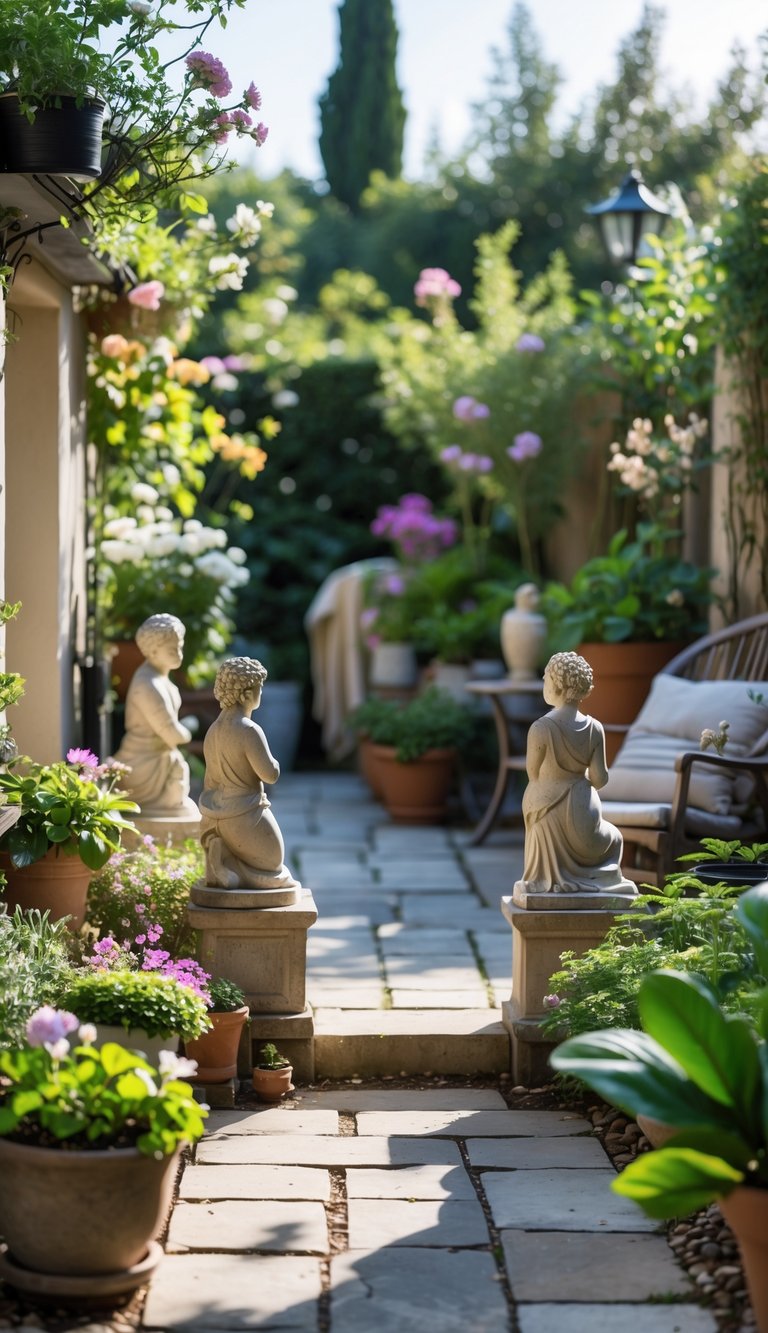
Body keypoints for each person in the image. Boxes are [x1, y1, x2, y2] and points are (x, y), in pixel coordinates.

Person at [520, 651, 634, 894]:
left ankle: (545, 879)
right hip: (583, 815)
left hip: (546, 810)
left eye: (546, 678)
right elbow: (600, 779)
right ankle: (600, 880)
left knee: (534, 795)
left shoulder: (540, 728)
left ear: (557, 685)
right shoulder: (595, 728)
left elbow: (532, 773)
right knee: (615, 837)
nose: (543, 680)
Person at [199, 657, 299, 890]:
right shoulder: (249, 730)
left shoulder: (213, 731)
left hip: (215, 816)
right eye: (259, 689)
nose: (260, 695)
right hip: (244, 813)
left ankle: (222, 853)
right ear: (245, 695)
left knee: (274, 866)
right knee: (274, 866)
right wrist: (274, 761)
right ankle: (232, 865)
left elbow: (210, 781)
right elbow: (270, 774)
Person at [113, 614, 197, 818]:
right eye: (172, 649)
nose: (179, 653)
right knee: (176, 798)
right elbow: (172, 734)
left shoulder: (160, 678)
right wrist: (190, 728)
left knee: (180, 794)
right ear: (153, 651)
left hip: (161, 756)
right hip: (145, 763)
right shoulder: (148, 685)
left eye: (180, 646)